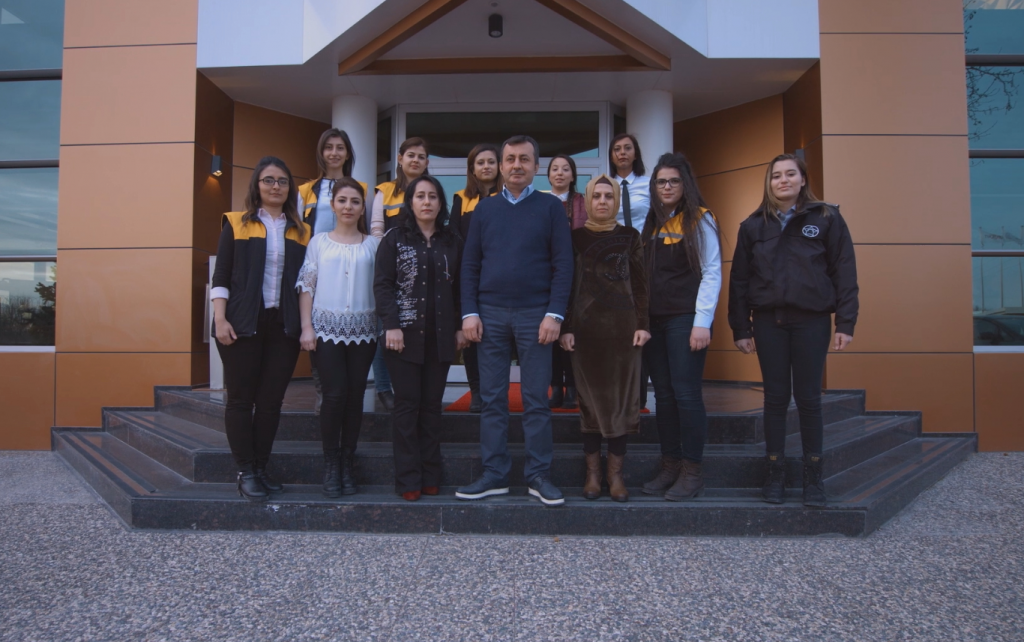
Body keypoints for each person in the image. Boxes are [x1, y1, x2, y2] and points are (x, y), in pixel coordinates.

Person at [728, 153, 858, 507]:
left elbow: (844, 271)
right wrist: (741, 327)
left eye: (790, 174)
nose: (783, 180)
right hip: (768, 322)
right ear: (769, 183)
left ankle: (813, 479)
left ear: (803, 180)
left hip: (811, 322)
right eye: (776, 176)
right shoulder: (752, 226)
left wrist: (845, 322)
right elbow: (739, 281)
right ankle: (775, 475)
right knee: (774, 399)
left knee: (809, 399)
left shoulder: (827, 218)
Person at [456, 135, 574, 507]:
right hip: (489, 314)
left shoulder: (551, 207)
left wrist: (555, 314)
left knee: (536, 400)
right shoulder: (485, 209)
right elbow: (470, 264)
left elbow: (563, 264)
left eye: (524, 159)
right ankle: (494, 475)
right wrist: (469, 312)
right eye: (510, 159)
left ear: (537, 167)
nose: (516, 165)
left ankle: (538, 475)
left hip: (536, 316)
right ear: (502, 166)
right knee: (492, 400)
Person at [211, 156, 311, 501]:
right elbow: (221, 276)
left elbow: (305, 283)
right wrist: (220, 319)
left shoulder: (302, 231)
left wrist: (305, 326)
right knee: (241, 400)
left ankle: (261, 467)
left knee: (270, 403)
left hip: (283, 326)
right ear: (257, 185)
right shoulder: (236, 223)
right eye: (268, 180)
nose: (275, 186)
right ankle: (246, 471)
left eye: (282, 181)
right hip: (241, 324)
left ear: (290, 188)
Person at [375, 175, 467, 501]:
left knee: (431, 408)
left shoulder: (452, 240)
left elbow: (461, 288)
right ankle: (408, 479)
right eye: (420, 196)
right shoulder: (395, 238)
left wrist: (460, 326)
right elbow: (383, 285)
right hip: (402, 337)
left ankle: (431, 474)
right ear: (410, 202)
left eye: (432, 196)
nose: (426, 202)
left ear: (441, 203)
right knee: (406, 407)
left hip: (440, 338)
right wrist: (391, 325)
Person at [559, 175, 650, 502]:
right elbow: (567, 285)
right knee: (590, 403)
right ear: (587, 200)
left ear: (616, 201)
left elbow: (640, 284)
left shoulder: (630, 237)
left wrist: (643, 324)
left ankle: (615, 475)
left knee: (621, 402)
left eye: (608, 196)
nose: (602, 201)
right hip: (585, 335)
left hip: (624, 334)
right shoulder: (575, 238)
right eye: (596, 196)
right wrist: (566, 327)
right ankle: (593, 474)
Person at [640, 152, 722, 502]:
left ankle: (692, 471)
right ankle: (670, 465)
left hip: (685, 320)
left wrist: (702, 323)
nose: (667, 187)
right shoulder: (653, 223)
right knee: (664, 396)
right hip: (655, 323)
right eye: (661, 182)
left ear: (685, 184)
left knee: (686, 395)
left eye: (674, 181)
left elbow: (712, 271)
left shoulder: (700, 219)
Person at [297, 178, 379, 497]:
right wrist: (307, 327)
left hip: (364, 331)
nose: (348, 207)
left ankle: (347, 461)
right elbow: (307, 285)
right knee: (333, 396)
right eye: (342, 200)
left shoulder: (373, 245)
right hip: (326, 331)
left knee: (355, 397)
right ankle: (331, 463)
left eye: (355, 201)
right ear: (333, 205)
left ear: (362, 208)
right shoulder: (318, 242)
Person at [298, 128, 369, 414]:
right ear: (321, 152)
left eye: (340, 147)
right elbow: (299, 231)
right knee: (317, 335)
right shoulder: (306, 190)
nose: (334, 153)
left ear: (348, 153)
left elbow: (369, 227)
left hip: (352, 264)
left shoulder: (361, 187)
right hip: (319, 262)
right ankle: (322, 391)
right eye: (328, 147)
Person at [369, 137, 430, 411]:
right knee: (385, 329)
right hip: (392, 272)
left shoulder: (431, 190)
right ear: (401, 159)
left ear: (426, 163)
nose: (415, 160)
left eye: (421, 156)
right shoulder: (385, 191)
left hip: (423, 273)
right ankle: (384, 388)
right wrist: (388, 263)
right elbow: (376, 231)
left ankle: (412, 388)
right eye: (411, 155)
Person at [450, 143, 501, 413]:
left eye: (491, 162)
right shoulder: (461, 198)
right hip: (468, 275)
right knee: (471, 335)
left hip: (498, 275)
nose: (486, 167)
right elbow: (454, 236)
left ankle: (496, 389)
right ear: (472, 169)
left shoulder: (507, 196)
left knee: (497, 335)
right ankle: (477, 391)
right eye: (480, 163)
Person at [609, 133, 652, 409]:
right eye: (617, 149)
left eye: (627, 148)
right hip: (613, 260)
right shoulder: (605, 185)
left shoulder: (649, 184)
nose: (622, 153)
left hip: (642, 258)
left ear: (635, 153)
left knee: (640, 319)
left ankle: (639, 395)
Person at [547, 154, 587, 410]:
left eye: (565, 169)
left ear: (573, 175)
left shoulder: (583, 202)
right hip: (548, 274)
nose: (560, 173)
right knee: (551, 334)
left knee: (573, 333)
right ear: (548, 175)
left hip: (578, 273)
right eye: (555, 169)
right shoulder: (540, 201)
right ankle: (555, 387)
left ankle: (572, 387)